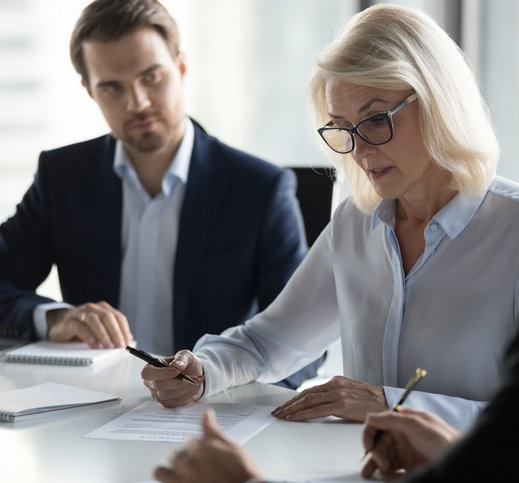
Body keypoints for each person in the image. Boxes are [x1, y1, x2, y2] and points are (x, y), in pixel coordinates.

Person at [152, 13, 519, 483]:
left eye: (375, 121)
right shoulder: (355, 222)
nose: (361, 150)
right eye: (343, 129)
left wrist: (392, 404)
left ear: (436, 102)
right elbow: (269, 342)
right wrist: (203, 370)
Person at [0, 0, 320, 389]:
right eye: (112, 87)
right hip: (92, 413)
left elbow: (304, 346)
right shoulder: (62, 178)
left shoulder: (260, 189)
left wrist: (224, 388)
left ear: (181, 67)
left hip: (214, 415)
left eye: (151, 77)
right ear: (89, 92)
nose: (138, 103)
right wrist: (54, 319)